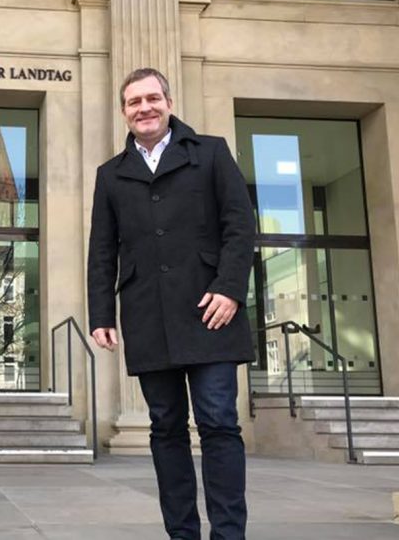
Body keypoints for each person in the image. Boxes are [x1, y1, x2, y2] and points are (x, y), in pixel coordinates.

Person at [87, 67, 256, 540]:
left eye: (152, 98)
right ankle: (182, 534)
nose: (144, 108)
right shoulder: (111, 175)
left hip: (211, 312)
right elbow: (102, 249)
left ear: (169, 101)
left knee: (219, 422)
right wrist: (101, 314)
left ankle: (228, 534)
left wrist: (229, 289)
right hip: (148, 315)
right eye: (134, 101)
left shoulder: (212, 152)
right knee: (165, 428)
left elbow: (240, 227)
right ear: (124, 111)